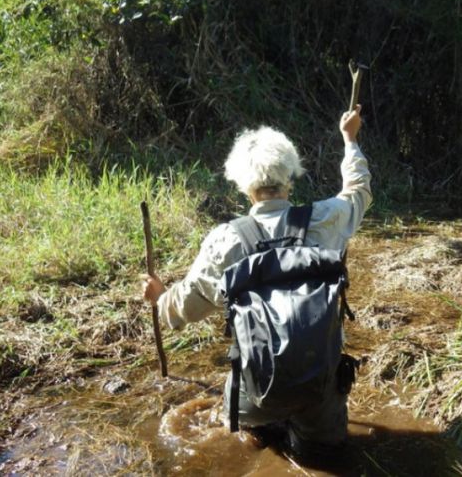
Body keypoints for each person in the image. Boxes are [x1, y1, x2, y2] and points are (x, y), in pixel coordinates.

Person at [142, 105, 371, 455]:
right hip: (320, 387)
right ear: (289, 177)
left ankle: (260, 432)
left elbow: (185, 307)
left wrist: (160, 299)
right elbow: (357, 192)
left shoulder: (225, 241)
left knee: (251, 443)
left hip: (256, 391)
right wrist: (349, 140)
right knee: (326, 458)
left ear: (243, 187)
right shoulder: (326, 219)